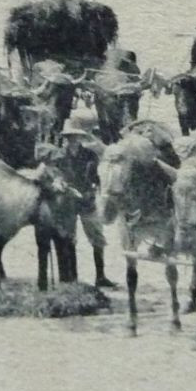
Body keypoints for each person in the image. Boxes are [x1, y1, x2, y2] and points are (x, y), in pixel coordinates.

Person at [46, 109, 116, 288]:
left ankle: (100, 276)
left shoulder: (90, 156)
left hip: (87, 201)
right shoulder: (58, 157)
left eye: (76, 136)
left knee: (97, 238)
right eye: (70, 137)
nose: (73, 140)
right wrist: (59, 182)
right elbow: (54, 175)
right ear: (66, 138)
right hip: (67, 203)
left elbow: (96, 178)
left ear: (81, 137)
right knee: (69, 239)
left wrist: (93, 190)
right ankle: (73, 278)